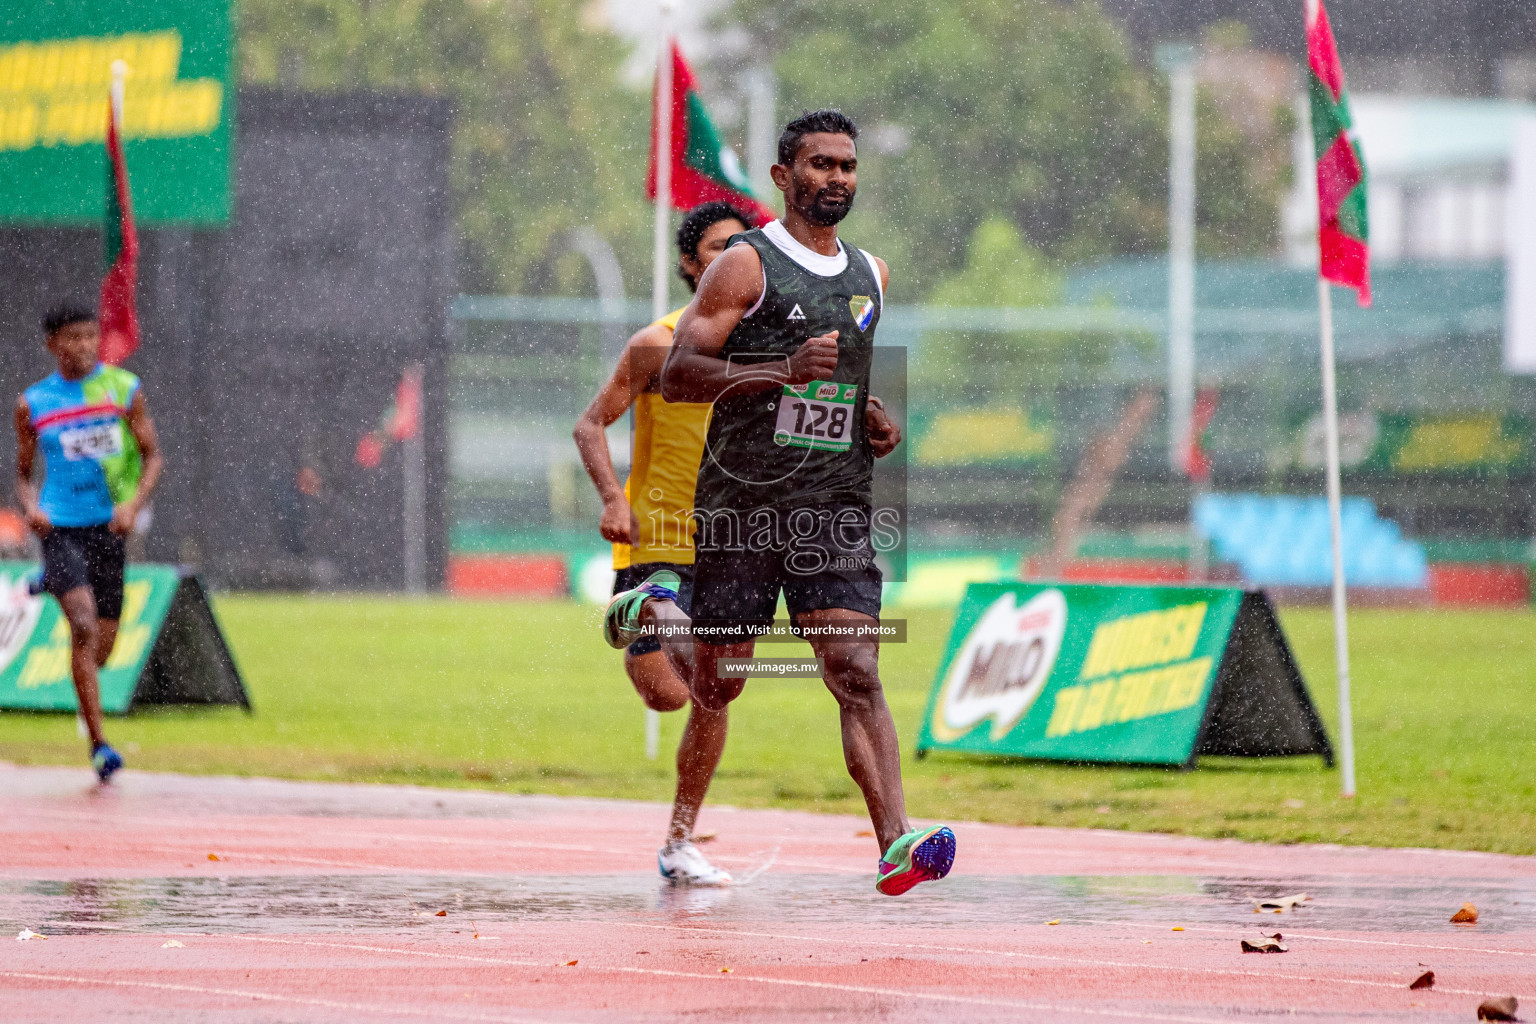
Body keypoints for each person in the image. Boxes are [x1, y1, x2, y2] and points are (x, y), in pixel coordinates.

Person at [603, 110, 954, 895]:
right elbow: (681, 375)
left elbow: (843, 383)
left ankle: (895, 842)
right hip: (741, 505)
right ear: (783, 177)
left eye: (848, 166)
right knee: (719, 684)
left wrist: (870, 420)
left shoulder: (873, 275)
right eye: (821, 165)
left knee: (855, 668)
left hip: (831, 505)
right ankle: (652, 611)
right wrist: (777, 373)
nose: (837, 178)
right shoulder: (744, 267)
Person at [574, 201, 753, 885]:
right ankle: (637, 609)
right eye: (717, 247)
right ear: (690, 263)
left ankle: (680, 842)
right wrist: (613, 498)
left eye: (742, 246)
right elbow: (590, 426)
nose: (732, 256)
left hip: (732, 546)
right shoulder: (658, 343)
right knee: (667, 695)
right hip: (658, 542)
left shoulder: (769, 351)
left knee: (718, 690)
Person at [14, 303, 163, 782]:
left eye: (89, 337)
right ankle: (100, 745)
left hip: (109, 527)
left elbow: (153, 455)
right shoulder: (33, 403)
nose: (82, 347)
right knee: (81, 624)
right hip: (60, 527)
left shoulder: (123, 389)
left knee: (102, 646)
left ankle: (49, 583)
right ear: (52, 344)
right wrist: (32, 507)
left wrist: (132, 506)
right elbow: (22, 475)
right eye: (72, 338)